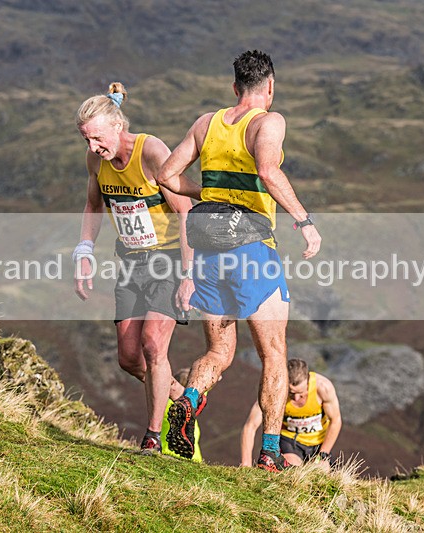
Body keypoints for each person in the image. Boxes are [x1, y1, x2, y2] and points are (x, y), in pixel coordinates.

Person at [155, 50, 322, 471]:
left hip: (209, 249)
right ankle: (269, 451)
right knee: (274, 354)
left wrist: (210, 194)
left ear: (234, 88)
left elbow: (166, 176)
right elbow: (268, 170)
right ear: (269, 86)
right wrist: (304, 221)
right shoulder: (269, 121)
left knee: (219, 351)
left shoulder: (206, 123)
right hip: (251, 248)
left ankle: (189, 401)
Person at [73, 82, 196, 453]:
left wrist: (189, 275)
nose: (93, 148)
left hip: (169, 257)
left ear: (117, 126)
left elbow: (185, 211)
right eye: (86, 141)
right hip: (130, 260)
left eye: (96, 138)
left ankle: (153, 439)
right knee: (130, 358)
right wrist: (84, 251)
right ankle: (182, 399)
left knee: (153, 345)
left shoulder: (151, 152)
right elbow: (94, 206)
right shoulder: (97, 161)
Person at [240, 359, 342, 471]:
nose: (296, 398)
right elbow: (250, 426)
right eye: (291, 393)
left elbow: (335, 420)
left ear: (308, 382)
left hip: (318, 443)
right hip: (289, 442)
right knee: (291, 471)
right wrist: (246, 464)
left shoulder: (323, 387)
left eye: (301, 393)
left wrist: (323, 454)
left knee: (320, 471)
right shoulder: (275, 391)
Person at [161, 368, 203, 462]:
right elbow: (208, 382)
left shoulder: (163, 404)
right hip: (193, 459)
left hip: (165, 453)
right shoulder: (192, 406)